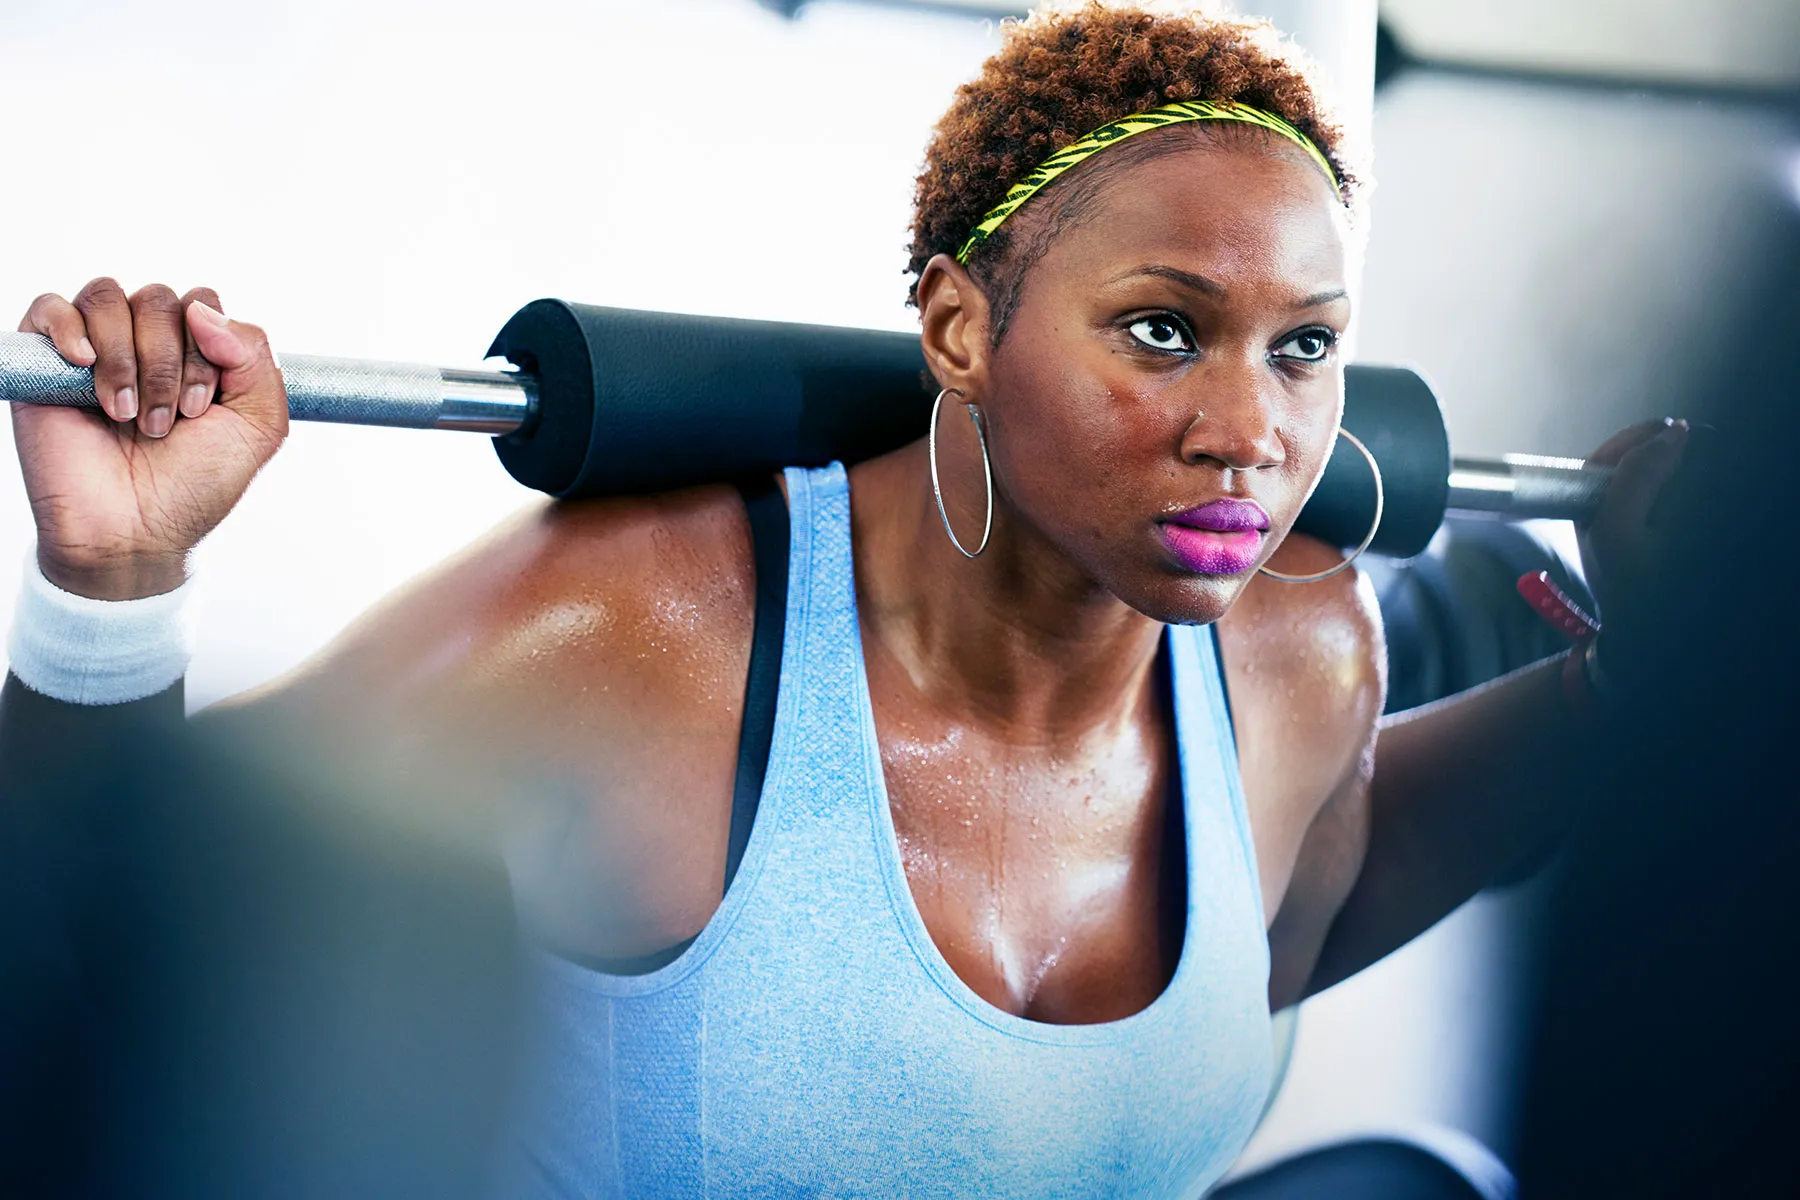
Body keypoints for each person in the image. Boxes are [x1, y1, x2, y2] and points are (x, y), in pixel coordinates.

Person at [4, 3, 1685, 1196]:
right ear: (960, 330)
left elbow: (1319, 884)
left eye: (1303, 345)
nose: (1249, 433)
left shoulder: (1311, 650)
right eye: (1163, 329)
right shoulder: (635, 640)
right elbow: (116, 939)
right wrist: (116, 577)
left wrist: (1669, 667)